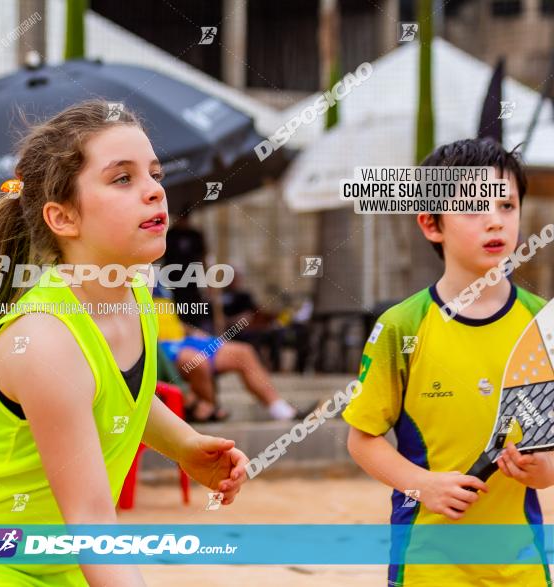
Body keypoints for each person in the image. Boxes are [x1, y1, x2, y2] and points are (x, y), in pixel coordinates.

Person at [0, 101, 250, 587]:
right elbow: (91, 523)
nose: (155, 191)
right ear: (63, 218)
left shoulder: (133, 293)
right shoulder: (45, 341)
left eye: (154, 174)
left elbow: (119, 394)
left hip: (49, 566)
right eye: (122, 179)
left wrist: (186, 445)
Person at [343, 138, 552, 586]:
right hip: (428, 561)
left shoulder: (543, 324)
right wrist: (424, 485)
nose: (495, 220)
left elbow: (549, 454)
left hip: (521, 564)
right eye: (474, 208)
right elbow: (363, 441)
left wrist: (543, 470)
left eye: (507, 205)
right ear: (431, 224)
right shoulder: (401, 327)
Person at [154, 286, 305, 422]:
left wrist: (193, 332)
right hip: (157, 346)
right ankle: (207, 409)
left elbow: (167, 319)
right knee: (197, 361)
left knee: (243, 352)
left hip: (182, 339)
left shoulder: (158, 278)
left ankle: (281, 410)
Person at [163, 207, 213, 331]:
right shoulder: (169, 235)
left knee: (194, 307)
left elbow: (203, 257)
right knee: (176, 307)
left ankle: (194, 332)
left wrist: (208, 281)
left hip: (192, 279)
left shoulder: (195, 235)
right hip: (172, 279)